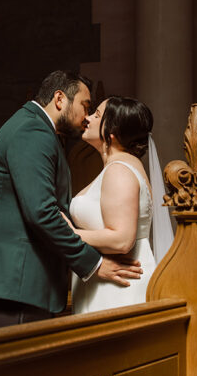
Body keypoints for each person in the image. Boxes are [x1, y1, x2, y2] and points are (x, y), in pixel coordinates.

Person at [0, 71, 143, 330]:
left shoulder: (36, 128)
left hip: (23, 283)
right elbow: (42, 213)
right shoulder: (33, 131)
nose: (86, 117)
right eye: (85, 106)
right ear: (60, 99)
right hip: (16, 283)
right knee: (19, 357)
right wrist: (93, 264)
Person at [68, 96, 169, 314]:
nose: (87, 118)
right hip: (108, 281)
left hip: (117, 286)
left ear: (112, 131)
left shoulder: (119, 170)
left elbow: (122, 240)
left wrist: (70, 233)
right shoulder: (118, 167)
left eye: (96, 115)